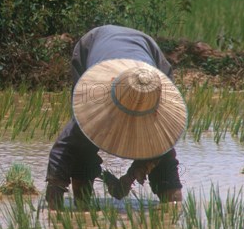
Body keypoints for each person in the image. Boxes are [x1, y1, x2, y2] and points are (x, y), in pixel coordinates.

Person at [45, 25, 188, 210]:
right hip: (94, 45)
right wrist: (54, 199)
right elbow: (63, 149)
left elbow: (162, 147)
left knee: (164, 163)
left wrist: (128, 179)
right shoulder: (96, 94)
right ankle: (82, 206)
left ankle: (172, 211)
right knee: (84, 141)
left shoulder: (156, 88)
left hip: (146, 49)